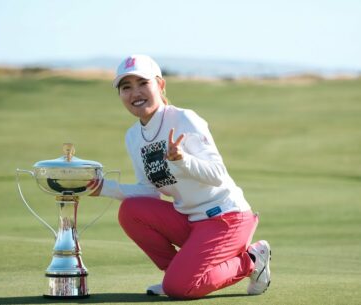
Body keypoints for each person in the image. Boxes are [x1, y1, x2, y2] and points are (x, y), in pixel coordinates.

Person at [91, 54, 271, 299]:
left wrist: (182, 160)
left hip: (226, 218)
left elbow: (218, 175)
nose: (135, 93)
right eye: (126, 87)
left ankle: (251, 260)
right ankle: (177, 274)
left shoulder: (184, 119)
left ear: (160, 85)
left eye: (143, 83)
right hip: (190, 221)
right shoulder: (133, 136)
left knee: (179, 288)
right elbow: (149, 191)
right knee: (131, 211)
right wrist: (102, 188)